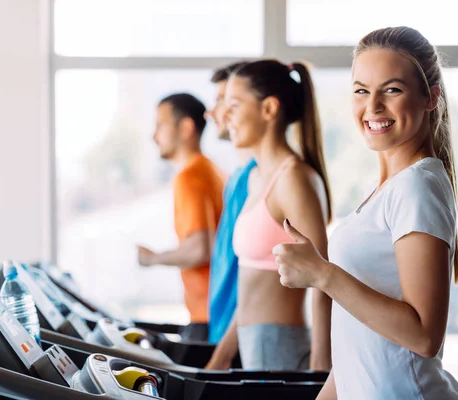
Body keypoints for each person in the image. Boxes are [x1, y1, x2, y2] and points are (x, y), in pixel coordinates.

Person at [274, 27, 458, 399]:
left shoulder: (417, 186)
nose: (373, 106)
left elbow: (424, 335)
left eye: (392, 90)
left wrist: (323, 274)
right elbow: (357, 348)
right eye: (362, 90)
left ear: (431, 97)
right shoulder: (387, 189)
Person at [206, 59, 333, 371]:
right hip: (253, 347)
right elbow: (252, 287)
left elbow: (323, 280)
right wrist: (222, 355)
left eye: (234, 105)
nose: (224, 116)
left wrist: (320, 367)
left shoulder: (294, 179)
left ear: (269, 109)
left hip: (283, 350)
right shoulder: (256, 179)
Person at [137, 93, 226, 342]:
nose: (154, 136)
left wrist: (152, 259)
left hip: (207, 316)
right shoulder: (212, 170)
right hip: (219, 310)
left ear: (186, 127)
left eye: (160, 126)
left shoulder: (189, 178)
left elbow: (199, 249)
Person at [204, 61, 257, 346]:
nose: (216, 112)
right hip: (223, 328)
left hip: (241, 337)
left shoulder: (261, 178)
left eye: (226, 101)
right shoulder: (236, 177)